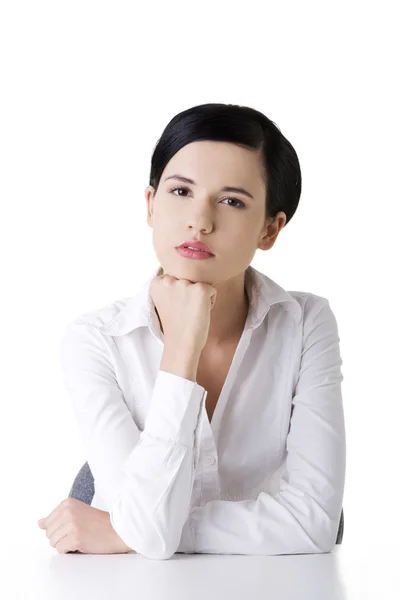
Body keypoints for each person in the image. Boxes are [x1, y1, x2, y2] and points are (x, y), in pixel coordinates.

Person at [61, 103, 345, 559]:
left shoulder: (305, 322)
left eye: (232, 201)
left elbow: (314, 524)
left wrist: (138, 527)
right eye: (180, 191)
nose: (200, 220)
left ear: (270, 230)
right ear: (151, 205)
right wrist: (182, 347)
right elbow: (149, 535)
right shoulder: (95, 339)